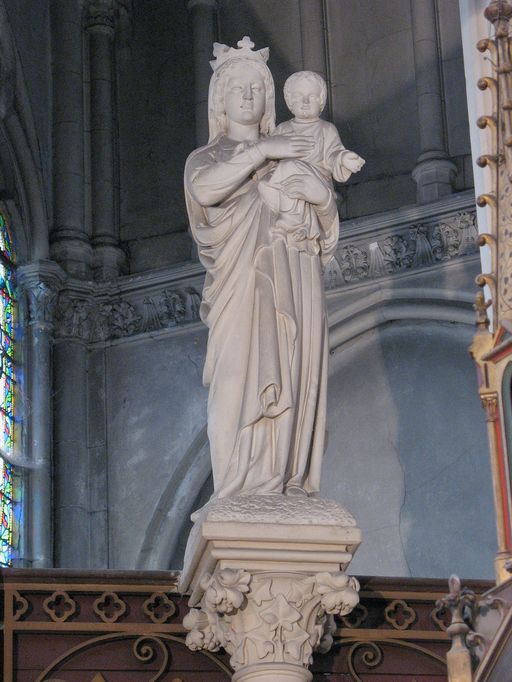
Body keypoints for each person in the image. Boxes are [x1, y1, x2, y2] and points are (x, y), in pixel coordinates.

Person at [184, 38, 339, 499]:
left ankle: (283, 483)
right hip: (239, 289)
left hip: (295, 282)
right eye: (238, 87)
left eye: (257, 86)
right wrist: (261, 152)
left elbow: (325, 230)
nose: (249, 95)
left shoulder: (298, 154)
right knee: (234, 383)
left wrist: (323, 196)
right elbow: (207, 189)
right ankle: (236, 489)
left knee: (293, 372)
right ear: (220, 100)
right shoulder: (206, 158)